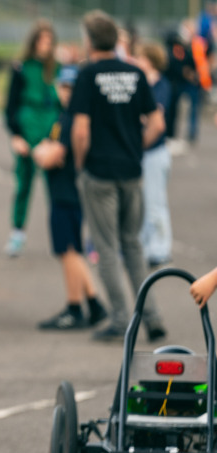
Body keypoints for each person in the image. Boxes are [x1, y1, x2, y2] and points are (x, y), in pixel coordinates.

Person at [71, 10, 167, 343]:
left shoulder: (88, 75)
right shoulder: (135, 73)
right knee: (134, 246)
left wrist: (81, 164)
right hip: (131, 171)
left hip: (99, 171)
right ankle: (153, 317)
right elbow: (157, 123)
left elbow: (80, 130)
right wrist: (135, 148)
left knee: (107, 249)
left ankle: (120, 318)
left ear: (89, 40)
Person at [31, 65, 108, 330]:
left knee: (68, 250)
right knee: (73, 249)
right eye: (64, 87)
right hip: (70, 192)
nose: (67, 92)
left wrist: (41, 153)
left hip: (66, 193)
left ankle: (74, 307)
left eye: (72, 88)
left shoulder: (71, 119)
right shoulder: (69, 116)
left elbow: (51, 155)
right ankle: (94, 303)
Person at [3, 20, 60, 257]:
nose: (46, 45)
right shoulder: (21, 68)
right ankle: (17, 233)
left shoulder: (57, 68)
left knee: (57, 188)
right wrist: (16, 136)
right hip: (27, 133)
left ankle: (62, 237)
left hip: (49, 134)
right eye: (42, 40)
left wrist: (54, 139)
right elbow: (10, 106)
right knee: (23, 186)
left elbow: (64, 106)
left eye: (49, 41)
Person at [135, 41, 173, 268]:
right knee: (147, 202)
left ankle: (159, 248)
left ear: (149, 60)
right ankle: (149, 245)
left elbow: (155, 118)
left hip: (155, 152)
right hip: (145, 153)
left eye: (140, 57)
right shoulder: (144, 84)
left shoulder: (161, 84)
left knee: (155, 202)